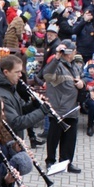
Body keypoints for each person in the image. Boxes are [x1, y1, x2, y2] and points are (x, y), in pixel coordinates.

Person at [39, 43, 83, 172]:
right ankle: (50, 162)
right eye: (72, 51)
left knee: (70, 140)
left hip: (72, 108)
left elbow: (82, 78)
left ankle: (66, 163)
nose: (73, 53)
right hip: (59, 109)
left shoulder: (75, 66)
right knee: (54, 138)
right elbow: (46, 74)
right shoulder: (57, 65)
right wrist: (56, 57)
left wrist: (82, 83)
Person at [0, 54, 45, 146]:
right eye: (17, 72)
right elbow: (16, 123)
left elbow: (21, 109)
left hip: (14, 142)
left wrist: (34, 104)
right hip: (7, 144)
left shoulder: (10, 87)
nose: (20, 75)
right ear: (6, 72)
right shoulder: (1, 94)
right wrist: (42, 112)